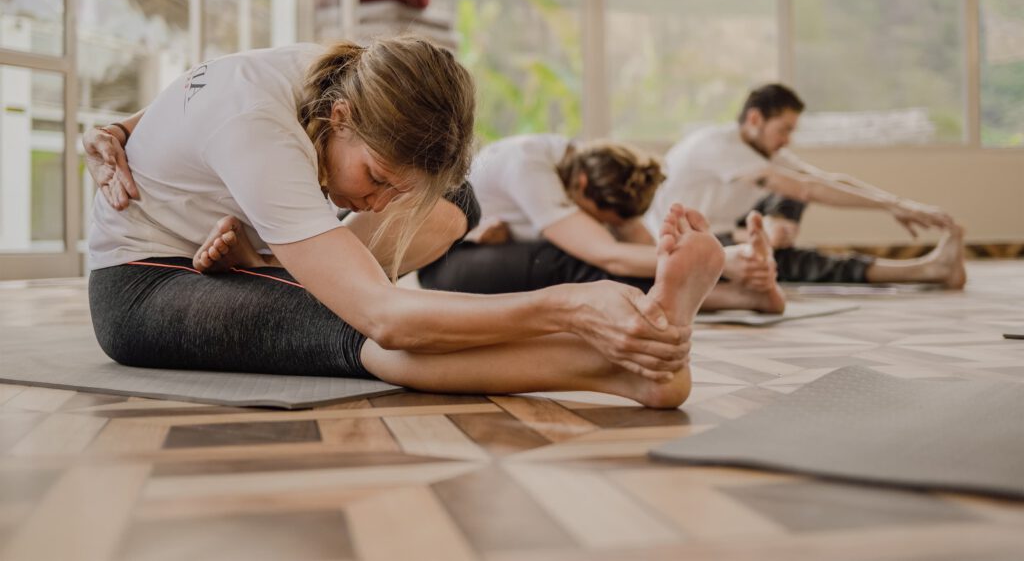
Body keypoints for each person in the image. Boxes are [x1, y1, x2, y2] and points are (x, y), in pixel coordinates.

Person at [84, 37, 726, 409]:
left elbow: (187, 106)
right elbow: (384, 315)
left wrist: (124, 126)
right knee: (365, 327)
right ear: (340, 119)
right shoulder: (261, 126)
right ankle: (618, 370)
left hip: (236, 255)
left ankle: (292, 281)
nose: (377, 201)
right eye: (376, 177)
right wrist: (568, 306)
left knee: (458, 203)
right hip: (143, 288)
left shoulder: (335, 77)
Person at [418, 134, 785, 313]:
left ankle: (742, 294)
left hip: (502, 255)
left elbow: (641, 248)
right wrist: (727, 258)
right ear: (581, 189)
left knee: (583, 258)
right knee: (570, 260)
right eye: (602, 219)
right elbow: (609, 255)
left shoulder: (587, 168)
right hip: (445, 267)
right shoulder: (529, 167)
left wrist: (717, 267)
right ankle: (736, 296)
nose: (603, 225)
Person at [645, 83, 966, 288]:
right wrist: (897, 206)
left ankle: (770, 236)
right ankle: (925, 270)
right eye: (783, 129)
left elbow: (826, 181)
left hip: (730, 226)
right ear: (755, 119)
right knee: (788, 218)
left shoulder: (766, 151)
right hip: (687, 240)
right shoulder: (715, 144)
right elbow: (807, 190)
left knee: (797, 185)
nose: (787, 140)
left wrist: (896, 203)